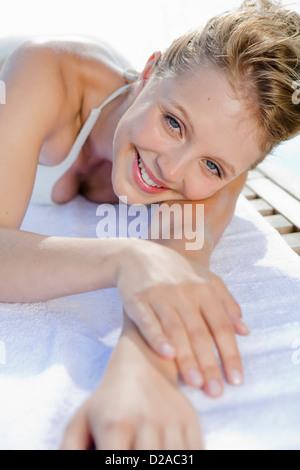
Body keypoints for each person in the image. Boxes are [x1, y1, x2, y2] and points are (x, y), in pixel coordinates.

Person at [0, 0, 299, 450]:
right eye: (173, 123)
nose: (173, 170)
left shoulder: (218, 165)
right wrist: (125, 258)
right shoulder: (44, 71)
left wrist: (142, 374)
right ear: (148, 72)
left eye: (214, 167)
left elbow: (177, 268)